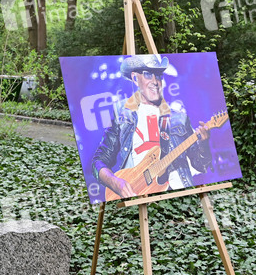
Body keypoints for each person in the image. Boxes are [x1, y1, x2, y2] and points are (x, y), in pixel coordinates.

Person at [91, 55, 212, 199]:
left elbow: (201, 166)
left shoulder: (179, 118)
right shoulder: (122, 113)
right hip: (138, 194)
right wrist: (115, 183)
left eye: (159, 75)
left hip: (179, 194)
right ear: (135, 78)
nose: (155, 81)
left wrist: (203, 144)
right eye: (148, 74)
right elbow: (99, 161)